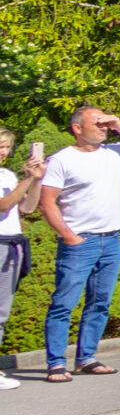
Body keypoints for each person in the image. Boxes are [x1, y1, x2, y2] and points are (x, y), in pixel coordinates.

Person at [37, 104, 120, 380]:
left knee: (100, 302)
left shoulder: (115, 153)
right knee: (64, 303)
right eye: (98, 123)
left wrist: (119, 125)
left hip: (112, 239)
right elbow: (47, 203)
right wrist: (70, 237)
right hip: (81, 242)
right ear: (77, 128)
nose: (103, 127)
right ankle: (56, 362)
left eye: (105, 123)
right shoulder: (62, 159)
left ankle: (86, 358)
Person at [0, 129, 47, 392]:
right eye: (0, 146)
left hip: (11, 246)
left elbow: (27, 209)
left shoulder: (7, 175)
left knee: (1, 311)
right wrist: (27, 179)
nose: (3, 152)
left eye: (6, 147)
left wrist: (36, 180)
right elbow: (4, 204)